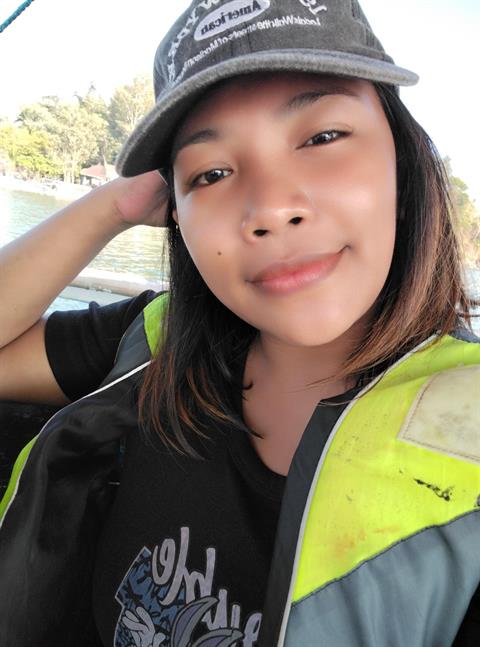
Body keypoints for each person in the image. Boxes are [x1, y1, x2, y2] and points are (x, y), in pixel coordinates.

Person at [0, 1, 479, 646]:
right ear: (176, 214)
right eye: (212, 173)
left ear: (403, 161)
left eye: (322, 137)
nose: (272, 208)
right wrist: (115, 204)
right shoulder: (153, 345)